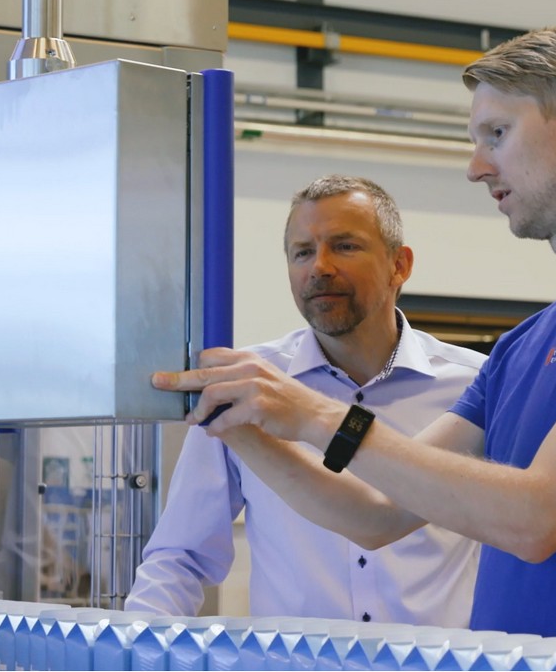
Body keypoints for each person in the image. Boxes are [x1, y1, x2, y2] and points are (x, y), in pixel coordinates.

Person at [154, 26, 556, 649]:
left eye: (497, 133)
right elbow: (372, 513)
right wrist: (236, 416)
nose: (475, 167)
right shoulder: (523, 345)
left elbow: (538, 517)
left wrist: (314, 415)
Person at [126, 175, 485, 626]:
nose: (320, 266)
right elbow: (181, 556)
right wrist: (133, 647)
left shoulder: (473, 387)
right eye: (302, 252)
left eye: (345, 246)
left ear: (400, 264)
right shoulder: (243, 388)